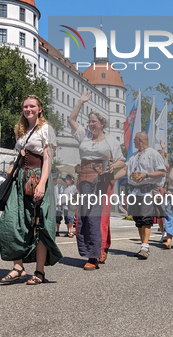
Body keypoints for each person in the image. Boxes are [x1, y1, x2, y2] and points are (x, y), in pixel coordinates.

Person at [0, 95, 62, 285]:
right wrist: (13, 168)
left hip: (37, 178)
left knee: (39, 224)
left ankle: (39, 271)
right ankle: (18, 267)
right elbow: (20, 153)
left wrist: (42, 183)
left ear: (40, 109)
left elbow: (48, 159)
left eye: (32, 106)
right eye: (26, 106)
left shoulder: (46, 129)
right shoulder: (21, 130)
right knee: (10, 222)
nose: (29, 109)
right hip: (20, 179)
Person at [68, 91, 125, 270]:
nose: (91, 124)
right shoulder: (84, 135)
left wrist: (113, 165)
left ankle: (94, 256)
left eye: (94, 122)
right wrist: (80, 102)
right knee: (84, 217)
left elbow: (121, 161)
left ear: (102, 124)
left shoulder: (110, 141)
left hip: (101, 182)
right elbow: (71, 120)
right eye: (90, 121)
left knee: (95, 217)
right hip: (84, 180)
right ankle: (94, 249)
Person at [114, 132, 166, 258]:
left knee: (145, 218)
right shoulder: (133, 156)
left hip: (147, 191)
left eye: (135, 140)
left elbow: (162, 172)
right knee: (138, 220)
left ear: (140, 140)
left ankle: (145, 246)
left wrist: (146, 175)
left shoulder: (153, 154)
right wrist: (112, 178)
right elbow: (126, 169)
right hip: (134, 192)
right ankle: (143, 245)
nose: (133, 142)